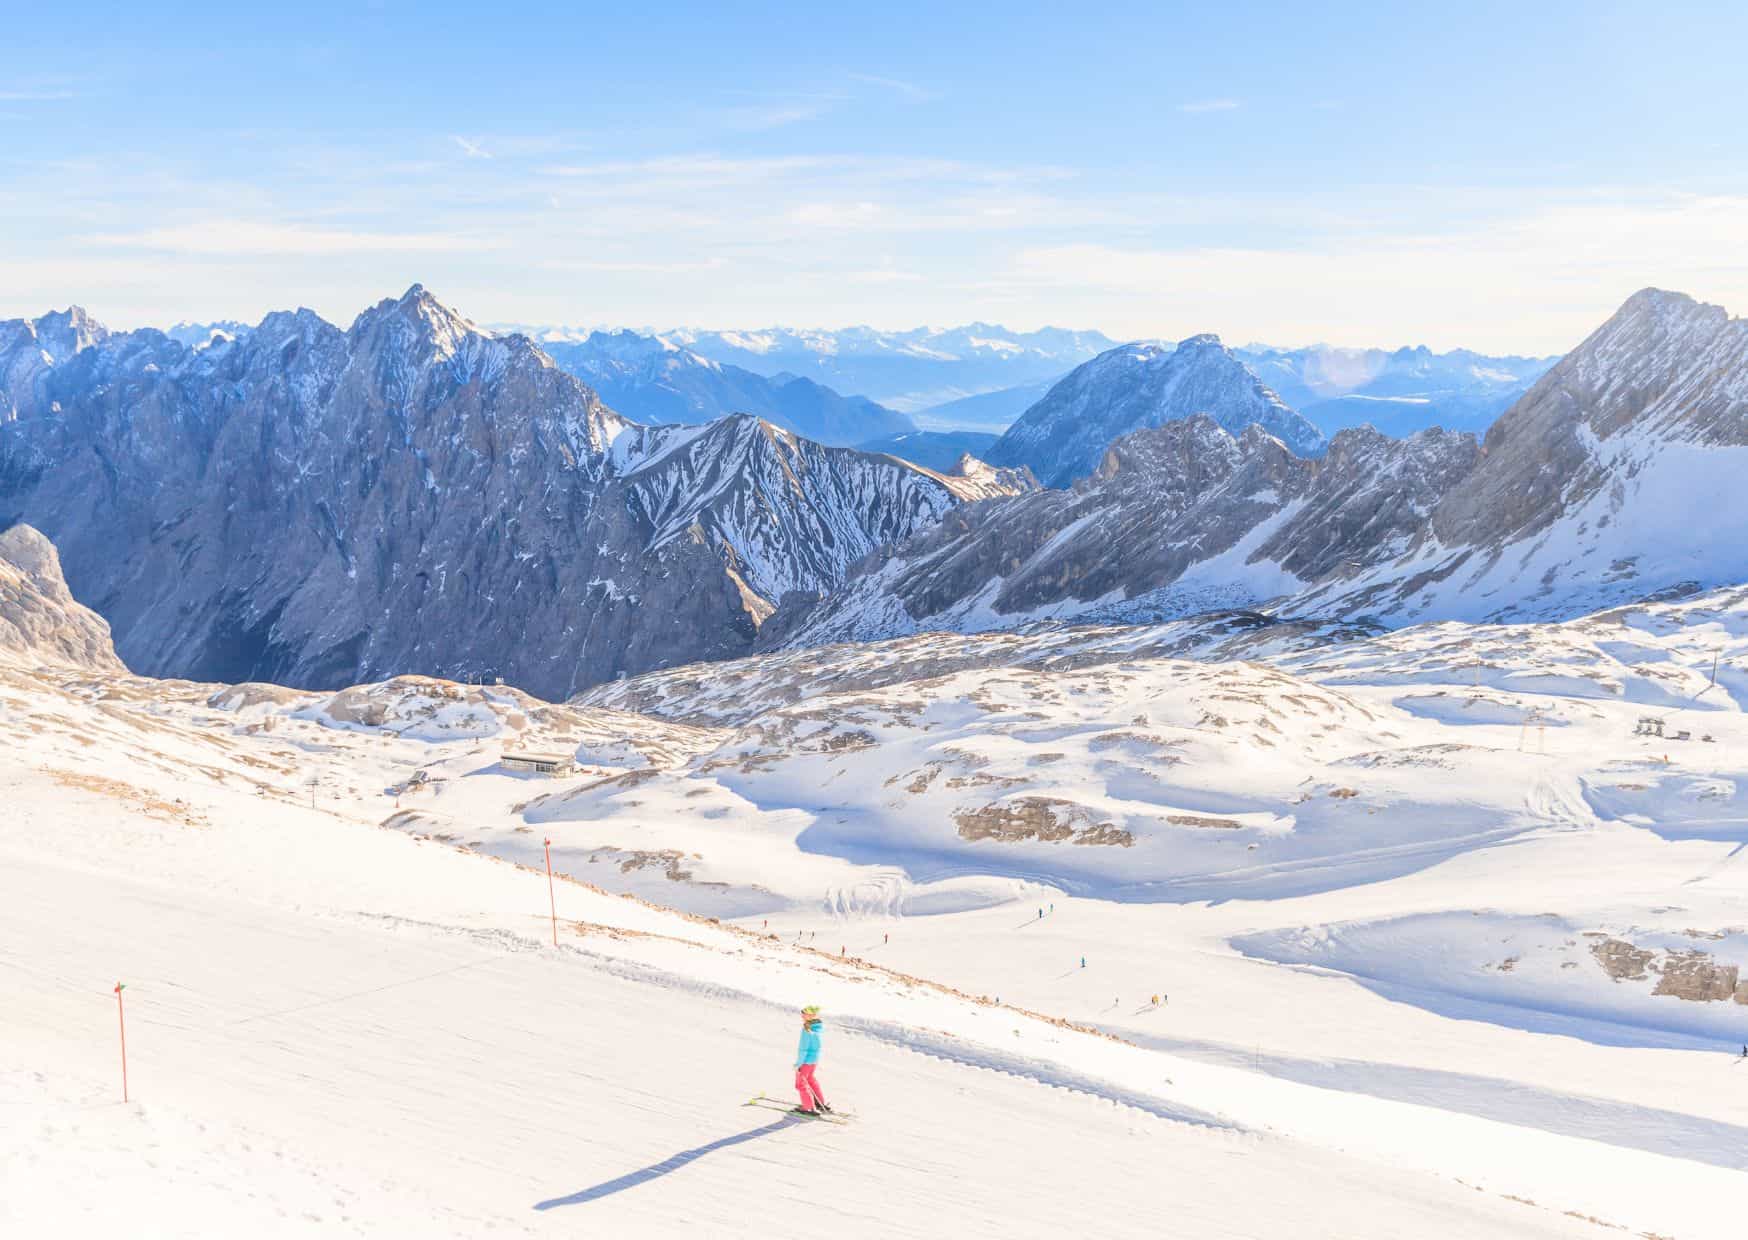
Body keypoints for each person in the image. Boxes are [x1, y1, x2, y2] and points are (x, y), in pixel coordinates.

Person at [792, 1005, 831, 1116]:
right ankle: (819, 1103)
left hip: (806, 1061)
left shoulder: (807, 1030)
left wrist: (798, 1064)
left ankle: (808, 1108)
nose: (802, 1016)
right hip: (814, 1061)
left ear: (811, 1015)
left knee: (800, 1084)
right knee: (810, 1079)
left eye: (804, 1013)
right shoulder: (817, 1027)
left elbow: (803, 1049)